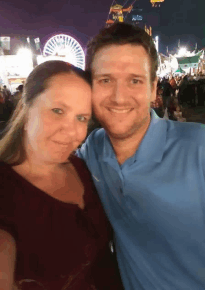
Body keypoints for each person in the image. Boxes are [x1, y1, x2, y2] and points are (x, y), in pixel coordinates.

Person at [77, 23, 205, 290]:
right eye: (105, 80)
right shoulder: (92, 150)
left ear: (153, 88)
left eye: (135, 80)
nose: (119, 97)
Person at [0, 60, 124, 290]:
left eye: (81, 118)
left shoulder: (81, 167)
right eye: (58, 111)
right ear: (26, 111)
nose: (71, 132)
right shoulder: (6, 193)